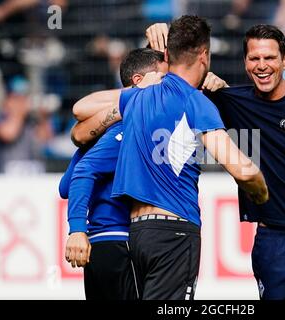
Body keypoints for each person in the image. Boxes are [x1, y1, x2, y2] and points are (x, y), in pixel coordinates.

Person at [145, 22, 285, 300]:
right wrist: (161, 32)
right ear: (245, 62)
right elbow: (172, 77)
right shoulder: (227, 101)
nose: (262, 65)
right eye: (255, 58)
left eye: (270, 58)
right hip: (272, 245)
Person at [70, 15, 268, 300]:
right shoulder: (196, 102)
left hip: (137, 233)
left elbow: (81, 109)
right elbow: (244, 170)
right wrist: (261, 194)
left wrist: (139, 87)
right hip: (175, 230)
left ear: (167, 55)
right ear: (204, 55)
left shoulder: (139, 96)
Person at [58, 48, 168, 300]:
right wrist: (76, 228)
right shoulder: (129, 128)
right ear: (139, 82)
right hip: (121, 241)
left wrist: (87, 141)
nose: (166, 87)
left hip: (98, 247)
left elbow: (65, 186)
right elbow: (83, 173)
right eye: (162, 78)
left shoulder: (105, 130)